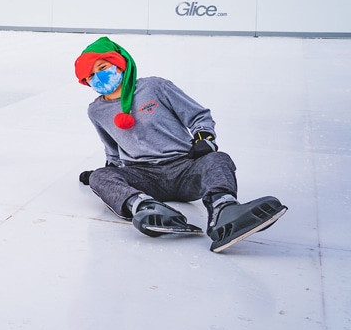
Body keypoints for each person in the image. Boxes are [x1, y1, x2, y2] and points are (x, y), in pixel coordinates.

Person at [75, 37, 286, 252]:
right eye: (91, 75)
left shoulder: (155, 87)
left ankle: (224, 212)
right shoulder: (96, 111)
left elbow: (198, 116)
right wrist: (106, 173)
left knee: (218, 159)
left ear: (119, 63)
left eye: (102, 67)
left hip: (184, 168)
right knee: (99, 176)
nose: (98, 77)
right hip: (143, 176)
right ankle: (148, 208)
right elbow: (111, 146)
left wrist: (205, 138)